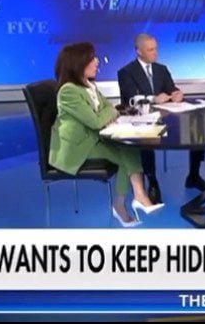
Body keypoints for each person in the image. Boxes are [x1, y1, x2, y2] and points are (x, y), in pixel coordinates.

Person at [49, 42, 162, 227]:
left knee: (129, 150)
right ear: (78, 64)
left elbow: (109, 108)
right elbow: (96, 121)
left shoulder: (89, 86)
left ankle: (136, 197)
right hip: (77, 147)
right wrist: (105, 114)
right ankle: (128, 202)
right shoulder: (68, 91)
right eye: (92, 59)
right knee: (125, 157)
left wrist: (105, 114)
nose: (97, 62)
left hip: (94, 138)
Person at [117, 33, 205, 201]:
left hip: (167, 116)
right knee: (147, 139)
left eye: (155, 49)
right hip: (141, 119)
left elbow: (170, 88)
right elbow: (130, 98)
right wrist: (153, 99)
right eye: (150, 50)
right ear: (139, 51)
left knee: (195, 130)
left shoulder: (161, 69)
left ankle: (193, 175)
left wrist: (177, 93)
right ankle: (152, 181)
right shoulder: (126, 72)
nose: (155, 53)